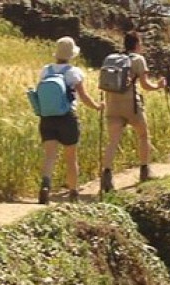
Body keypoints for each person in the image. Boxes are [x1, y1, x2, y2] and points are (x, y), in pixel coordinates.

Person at [38, 36, 104, 204]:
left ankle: (45, 185)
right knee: (71, 157)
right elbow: (83, 96)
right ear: (71, 55)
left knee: (50, 155)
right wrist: (97, 106)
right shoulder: (73, 72)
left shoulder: (45, 70)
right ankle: (73, 192)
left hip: (47, 118)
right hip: (67, 118)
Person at [100, 31, 166, 192]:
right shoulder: (138, 60)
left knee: (113, 142)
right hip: (131, 106)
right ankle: (144, 170)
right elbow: (145, 85)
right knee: (143, 135)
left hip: (112, 105)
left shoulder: (111, 59)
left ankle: (106, 177)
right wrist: (158, 86)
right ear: (137, 44)